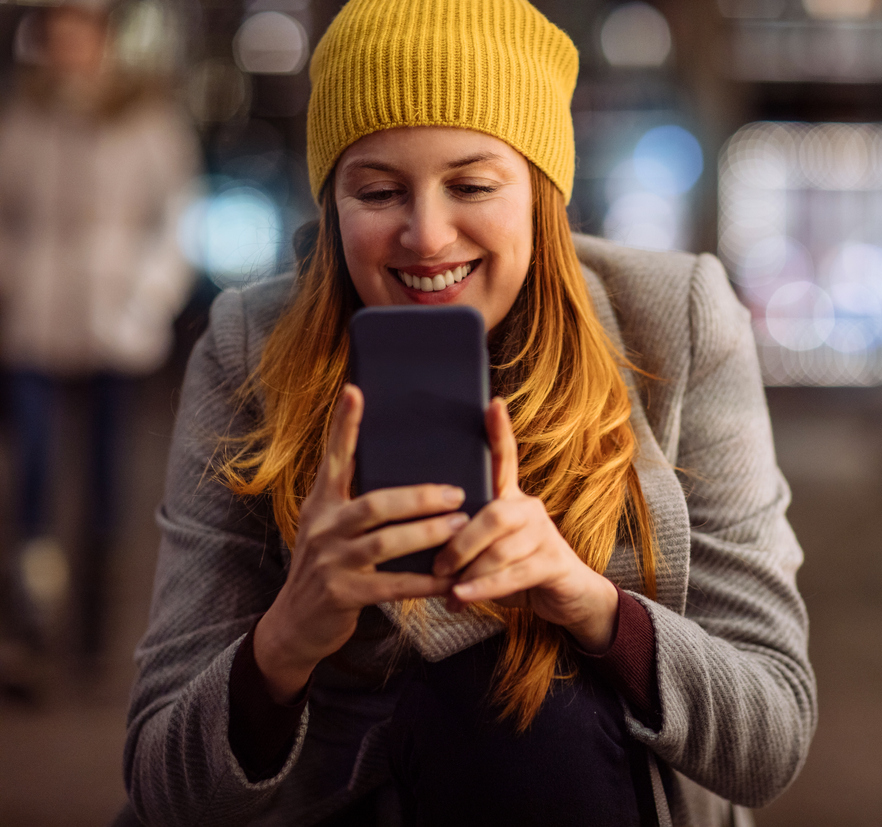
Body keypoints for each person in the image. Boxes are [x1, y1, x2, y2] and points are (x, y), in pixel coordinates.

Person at [123, 0, 815, 824]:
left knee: (529, 708)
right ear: (331, 202)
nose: (426, 234)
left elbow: (770, 735)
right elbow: (161, 783)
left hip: (585, 790)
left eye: (472, 185)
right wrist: (286, 637)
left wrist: (588, 603)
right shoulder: (249, 348)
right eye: (377, 191)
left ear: (539, 193)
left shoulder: (680, 320)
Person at [0, 1, 197, 661]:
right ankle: (33, 614)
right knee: (34, 465)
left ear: (102, 39)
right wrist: (15, 277)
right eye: (57, 36)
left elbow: (173, 215)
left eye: (78, 34)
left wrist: (150, 294)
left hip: (118, 320)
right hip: (37, 316)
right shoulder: (25, 115)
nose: (67, 48)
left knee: (107, 474)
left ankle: (94, 621)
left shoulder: (147, 116)